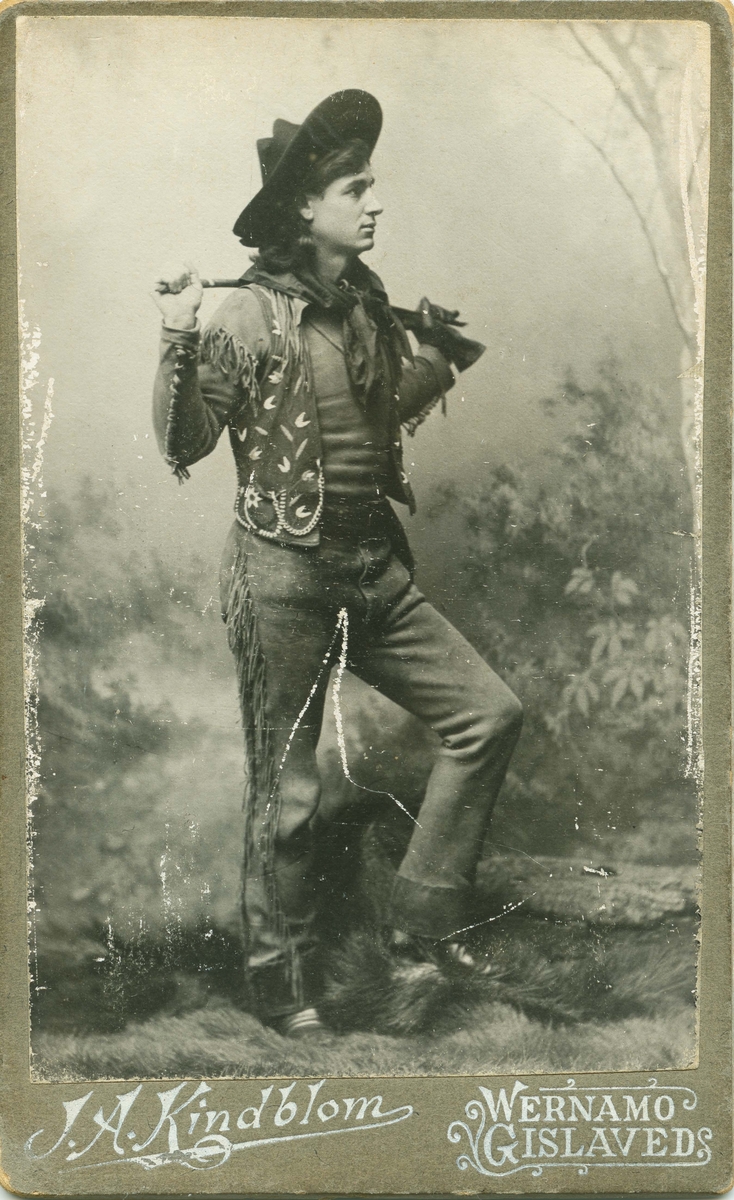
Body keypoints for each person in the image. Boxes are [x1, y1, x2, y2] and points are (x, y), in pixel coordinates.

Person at [152, 90, 523, 1037]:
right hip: (283, 576)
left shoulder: (362, 306)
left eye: (370, 186)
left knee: (487, 715)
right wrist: (178, 334)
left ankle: (418, 929)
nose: (374, 203)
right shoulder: (245, 315)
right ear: (304, 207)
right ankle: (281, 984)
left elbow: (373, 413)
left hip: (371, 568)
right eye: (356, 189)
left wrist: (438, 355)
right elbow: (184, 441)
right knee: (290, 792)